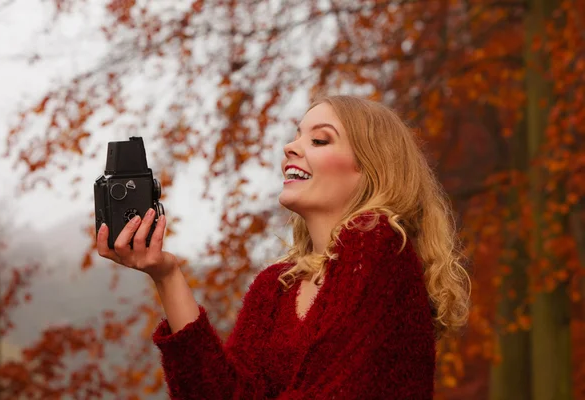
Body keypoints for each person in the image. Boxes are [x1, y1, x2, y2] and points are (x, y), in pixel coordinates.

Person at [96, 95, 471, 399]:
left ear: (372, 170)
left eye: (319, 140)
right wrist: (167, 275)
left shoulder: (379, 249)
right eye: (296, 136)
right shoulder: (276, 287)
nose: (290, 147)